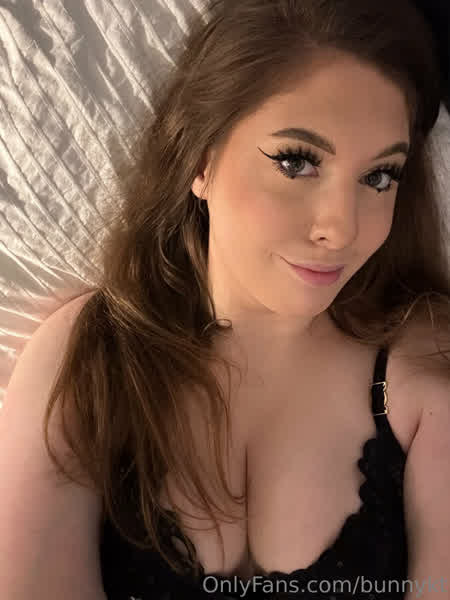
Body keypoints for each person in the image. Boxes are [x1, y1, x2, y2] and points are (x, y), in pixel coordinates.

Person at [1, 1, 450, 599]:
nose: (341, 229)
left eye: (379, 177)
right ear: (201, 159)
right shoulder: (90, 357)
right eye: (297, 162)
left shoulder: (423, 367)